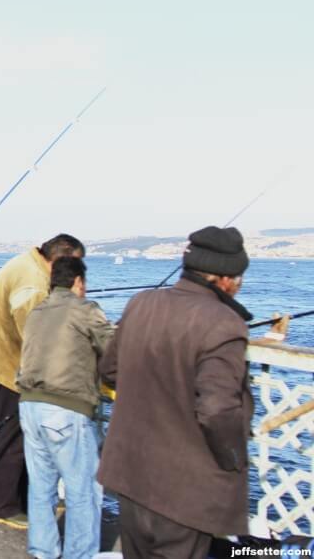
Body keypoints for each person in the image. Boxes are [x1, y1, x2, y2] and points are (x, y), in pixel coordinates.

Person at [98, 227, 254, 558]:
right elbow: (216, 410)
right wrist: (235, 459)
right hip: (182, 492)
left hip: (130, 475)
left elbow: (109, 371)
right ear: (225, 279)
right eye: (239, 278)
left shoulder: (142, 303)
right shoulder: (224, 322)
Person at [0, 233, 85, 529]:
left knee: (17, 437)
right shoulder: (35, 286)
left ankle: (23, 498)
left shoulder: (24, 261)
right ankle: (4, 505)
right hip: (12, 371)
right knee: (13, 441)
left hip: (0, 360)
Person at [16, 256, 114, 559]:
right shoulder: (85, 310)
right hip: (65, 409)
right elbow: (113, 351)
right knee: (83, 488)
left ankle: (43, 551)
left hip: (29, 406)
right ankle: (80, 554)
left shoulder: (38, 311)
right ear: (78, 282)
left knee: (41, 485)